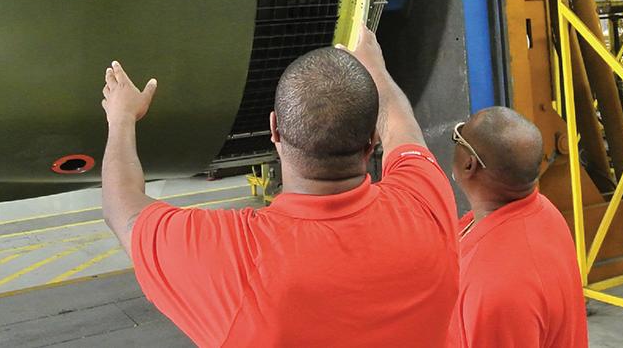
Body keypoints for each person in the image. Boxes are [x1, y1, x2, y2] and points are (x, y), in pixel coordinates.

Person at [100, 25, 459, 347]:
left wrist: (121, 118)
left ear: (274, 130)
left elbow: (122, 207)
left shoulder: (231, 256)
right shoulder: (424, 201)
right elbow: (403, 129)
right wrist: (377, 72)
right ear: (370, 142)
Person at [448, 107, 587, 348]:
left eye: (458, 136)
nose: (455, 140)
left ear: (470, 165)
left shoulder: (497, 288)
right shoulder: (542, 211)